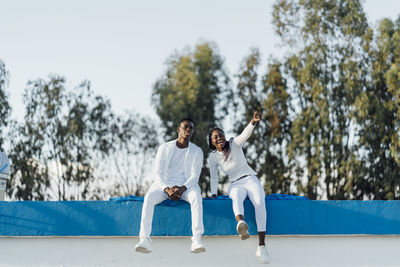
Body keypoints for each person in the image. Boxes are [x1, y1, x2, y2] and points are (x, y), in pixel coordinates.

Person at [208, 111, 270, 264]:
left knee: (260, 201)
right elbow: (214, 177)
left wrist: (253, 122)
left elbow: (245, 134)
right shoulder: (213, 157)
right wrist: (214, 194)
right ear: (212, 142)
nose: (219, 138)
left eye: (220, 135)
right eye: (215, 137)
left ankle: (262, 246)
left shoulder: (234, 144)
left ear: (224, 136)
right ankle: (241, 224)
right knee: (235, 196)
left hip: (250, 179)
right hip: (235, 183)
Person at [135, 118, 205, 254]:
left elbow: (195, 176)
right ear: (178, 129)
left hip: (187, 186)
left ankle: (196, 240)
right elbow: (157, 173)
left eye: (191, 128)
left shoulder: (197, 151)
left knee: (196, 197)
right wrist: (167, 189)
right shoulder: (164, 147)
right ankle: (144, 239)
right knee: (149, 197)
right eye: (185, 127)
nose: (188, 130)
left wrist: (182, 188)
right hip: (164, 185)